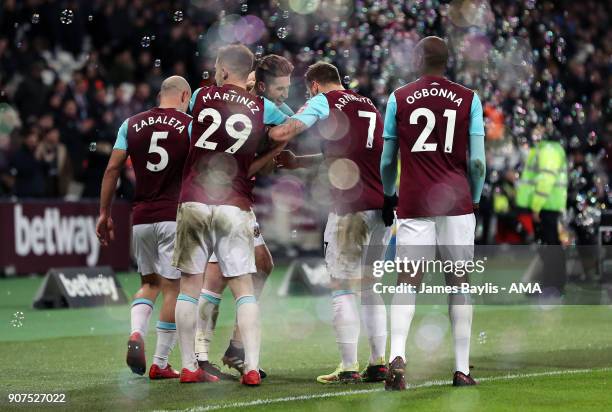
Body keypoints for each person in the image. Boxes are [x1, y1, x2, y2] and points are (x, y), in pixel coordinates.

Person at [172, 44, 290, 386]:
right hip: (234, 201)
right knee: (244, 290)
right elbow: (283, 131)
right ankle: (250, 366)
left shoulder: (200, 97)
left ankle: (189, 365)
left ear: (222, 71)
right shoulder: (261, 107)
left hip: (194, 198)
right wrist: (279, 145)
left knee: (188, 288)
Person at [270, 61, 391, 384]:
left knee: (341, 286)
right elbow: (357, 153)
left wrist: (263, 125)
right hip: (381, 208)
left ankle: (348, 366)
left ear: (314, 86)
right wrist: (299, 163)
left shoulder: (324, 101)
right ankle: (379, 362)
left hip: (350, 207)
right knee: (368, 286)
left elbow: (288, 130)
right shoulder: (366, 105)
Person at [379, 36, 486, 390]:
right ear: (448, 60)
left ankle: (397, 355)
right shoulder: (469, 99)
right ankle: (460, 369)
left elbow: (387, 159)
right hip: (456, 202)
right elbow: (477, 162)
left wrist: (390, 195)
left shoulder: (399, 97)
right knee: (459, 284)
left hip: (414, 200)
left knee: (407, 280)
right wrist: (474, 198)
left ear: (417, 59)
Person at [96, 76, 196, 381]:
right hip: (173, 215)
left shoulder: (131, 124)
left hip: (140, 217)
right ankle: (161, 362)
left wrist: (104, 213)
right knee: (173, 289)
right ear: (183, 95)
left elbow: (113, 168)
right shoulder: (191, 125)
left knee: (149, 283)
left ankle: (137, 332)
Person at [516, 130, 568, 293]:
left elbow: (546, 179)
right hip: (548, 205)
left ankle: (552, 286)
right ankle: (552, 284)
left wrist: (537, 205)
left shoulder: (548, 150)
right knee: (549, 246)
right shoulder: (546, 149)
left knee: (549, 246)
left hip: (546, 206)